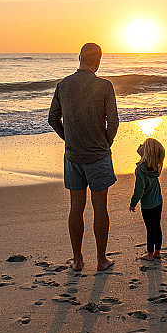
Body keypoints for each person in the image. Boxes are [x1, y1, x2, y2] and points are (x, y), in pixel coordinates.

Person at [48, 43, 119, 272]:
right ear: (98, 61)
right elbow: (114, 121)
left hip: (73, 157)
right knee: (100, 208)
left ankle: (77, 260)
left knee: (76, 208)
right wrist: (105, 142)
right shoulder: (104, 86)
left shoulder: (63, 85)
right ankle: (101, 260)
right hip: (98, 156)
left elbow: (53, 119)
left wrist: (69, 139)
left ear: (79, 57)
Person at [129, 137, 165, 261]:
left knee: (150, 228)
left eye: (143, 144)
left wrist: (133, 203)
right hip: (158, 201)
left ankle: (150, 254)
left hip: (148, 205)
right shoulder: (155, 167)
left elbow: (139, 190)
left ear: (147, 151)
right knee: (157, 226)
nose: (140, 145)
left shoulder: (141, 170)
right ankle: (157, 251)